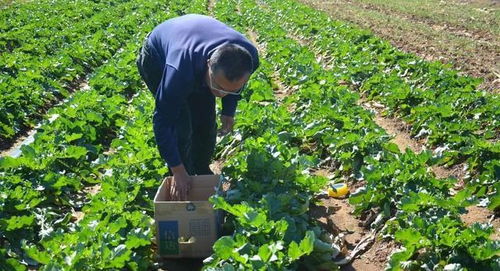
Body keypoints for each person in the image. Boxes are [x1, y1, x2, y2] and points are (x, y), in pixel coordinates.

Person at [136, 14, 259, 200]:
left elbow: (230, 84)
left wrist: (228, 111)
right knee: (181, 123)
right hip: (157, 57)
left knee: (206, 120)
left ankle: (200, 168)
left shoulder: (249, 58)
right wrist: (177, 170)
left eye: (230, 91)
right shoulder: (179, 70)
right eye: (218, 87)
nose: (222, 94)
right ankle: (181, 176)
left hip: (195, 46)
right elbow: (163, 121)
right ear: (208, 65)